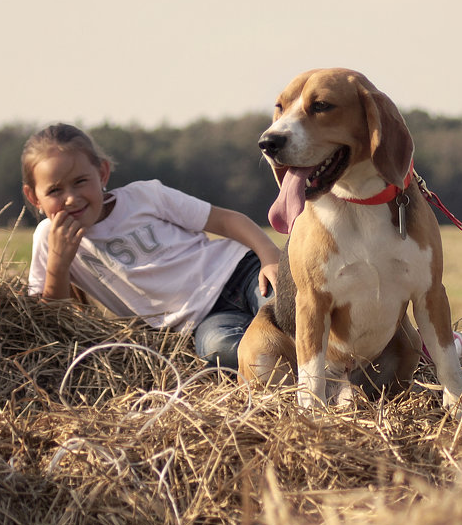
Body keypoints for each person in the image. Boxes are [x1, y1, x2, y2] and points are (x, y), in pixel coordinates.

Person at [21, 123, 280, 369]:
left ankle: (311, 358)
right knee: (220, 349)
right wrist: (59, 262)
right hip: (200, 322)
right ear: (34, 197)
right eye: (55, 190)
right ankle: (291, 364)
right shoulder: (47, 239)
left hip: (240, 273)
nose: (71, 198)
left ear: (102, 173)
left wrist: (269, 257)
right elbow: (51, 322)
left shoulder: (144, 196)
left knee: (286, 310)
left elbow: (226, 221)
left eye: (80, 182)